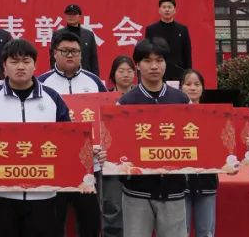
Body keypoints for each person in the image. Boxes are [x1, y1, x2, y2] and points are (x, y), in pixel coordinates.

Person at [0, 39, 70, 237]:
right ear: (4, 66)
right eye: (14, 62)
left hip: (44, 193)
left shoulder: (53, 98)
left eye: (26, 61)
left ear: (35, 65)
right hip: (0, 193)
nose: (21, 67)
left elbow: (69, 141)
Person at [115, 38, 189, 237]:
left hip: (173, 189)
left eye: (159, 60)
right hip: (137, 191)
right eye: (147, 61)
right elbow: (117, 145)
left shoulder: (181, 100)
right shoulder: (125, 104)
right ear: (138, 65)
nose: (154, 66)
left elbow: (195, 141)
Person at [39, 33, 105, 237]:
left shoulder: (94, 82)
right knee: (53, 222)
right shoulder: (41, 83)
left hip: (88, 165)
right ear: (54, 53)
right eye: (65, 51)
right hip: (53, 163)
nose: (70, 55)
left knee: (90, 221)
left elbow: (106, 121)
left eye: (75, 51)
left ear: (81, 54)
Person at [102, 56, 136, 236]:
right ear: (113, 74)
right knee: (112, 206)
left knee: (137, 208)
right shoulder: (104, 98)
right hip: (111, 161)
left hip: (136, 160)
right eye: (121, 71)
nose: (126, 75)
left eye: (129, 71)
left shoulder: (140, 97)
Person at [180, 69, 217, 237]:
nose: (193, 88)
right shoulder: (172, 116)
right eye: (188, 84)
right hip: (181, 181)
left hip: (206, 180)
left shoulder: (213, 116)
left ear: (203, 88)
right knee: (182, 231)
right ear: (180, 87)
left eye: (197, 84)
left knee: (206, 231)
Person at [144, 0, 192, 83]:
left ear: (174, 10)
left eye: (169, 7)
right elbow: (147, 54)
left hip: (178, 73)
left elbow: (187, 54)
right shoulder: (151, 30)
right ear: (159, 10)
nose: (167, 10)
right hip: (157, 72)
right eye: (164, 7)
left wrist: (188, 74)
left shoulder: (182, 30)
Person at [50, 4, 100, 76]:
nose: (71, 16)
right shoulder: (57, 34)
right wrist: (54, 75)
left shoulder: (88, 35)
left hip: (85, 76)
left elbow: (93, 59)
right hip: (63, 75)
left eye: (74, 14)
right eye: (69, 14)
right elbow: (53, 58)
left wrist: (96, 78)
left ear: (80, 17)